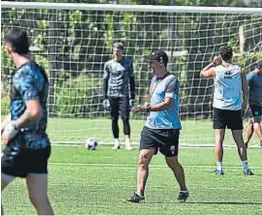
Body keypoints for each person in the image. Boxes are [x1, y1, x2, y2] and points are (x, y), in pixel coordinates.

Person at [1, 28, 54, 215]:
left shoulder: (22, 74)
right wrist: (4, 124)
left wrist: (14, 126)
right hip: (40, 145)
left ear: (8, 48)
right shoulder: (39, 70)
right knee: (39, 199)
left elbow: (34, 111)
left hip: (21, 146)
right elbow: (26, 107)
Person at [125, 50, 189, 203]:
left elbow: (167, 103)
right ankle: (139, 194)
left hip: (169, 129)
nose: (149, 65)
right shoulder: (154, 79)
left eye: (152, 61)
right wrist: (147, 105)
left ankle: (183, 189)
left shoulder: (172, 80)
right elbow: (154, 100)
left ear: (161, 62)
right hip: (151, 127)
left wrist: (147, 108)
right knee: (143, 159)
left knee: (171, 162)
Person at [200, 45, 253, 175]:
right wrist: (245, 106)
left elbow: (201, 73)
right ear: (232, 55)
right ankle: (246, 169)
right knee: (239, 140)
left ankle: (219, 168)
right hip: (235, 108)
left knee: (219, 139)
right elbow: (245, 91)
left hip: (219, 108)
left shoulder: (215, 70)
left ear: (221, 56)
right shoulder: (240, 70)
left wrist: (212, 63)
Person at [103, 42, 136, 150]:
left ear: (122, 51)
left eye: (118, 51)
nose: (116, 53)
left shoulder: (128, 63)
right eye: (115, 51)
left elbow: (131, 79)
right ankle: (116, 141)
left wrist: (132, 96)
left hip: (123, 94)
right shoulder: (108, 64)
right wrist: (105, 98)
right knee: (114, 118)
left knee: (125, 117)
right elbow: (105, 80)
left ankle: (127, 141)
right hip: (112, 94)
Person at [245, 60, 262, 147]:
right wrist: (246, 104)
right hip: (252, 104)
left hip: (259, 103)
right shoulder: (250, 76)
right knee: (256, 121)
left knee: (251, 123)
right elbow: (245, 90)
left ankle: (246, 142)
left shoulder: (261, 76)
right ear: (258, 67)